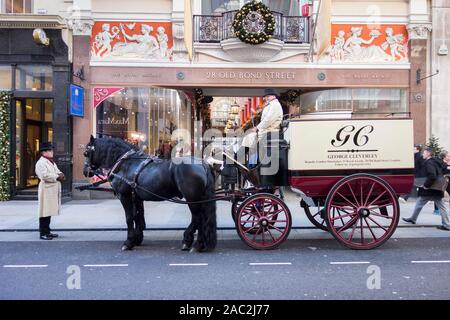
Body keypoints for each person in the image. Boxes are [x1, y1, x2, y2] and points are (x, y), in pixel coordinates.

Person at [240, 88, 283, 188]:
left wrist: (257, 127)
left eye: (267, 96)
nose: (266, 98)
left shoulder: (275, 105)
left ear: (273, 96)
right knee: (248, 138)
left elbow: (268, 120)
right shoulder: (270, 105)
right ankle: (243, 160)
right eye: (265, 97)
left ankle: (240, 158)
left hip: (270, 133)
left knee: (249, 137)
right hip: (266, 133)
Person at [403, 147, 450, 231]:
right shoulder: (437, 161)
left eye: (424, 153)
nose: (423, 155)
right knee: (423, 203)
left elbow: (432, 175)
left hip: (431, 188)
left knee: (422, 203)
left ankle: (446, 225)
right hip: (436, 188)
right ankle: (413, 219)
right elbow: (445, 169)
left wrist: (426, 185)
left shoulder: (429, 163)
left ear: (428, 153)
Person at [35, 142, 65, 240]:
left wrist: (60, 174)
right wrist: (57, 176)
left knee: (49, 212)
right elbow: (44, 176)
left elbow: (56, 170)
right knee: (44, 212)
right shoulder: (41, 163)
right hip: (46, 190)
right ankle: (43, 233)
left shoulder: (51, 161)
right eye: (50, 150)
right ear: (44, 152)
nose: (52, 152)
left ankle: (47, 231)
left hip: (51, 190)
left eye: (51, 150)